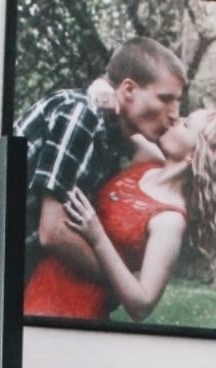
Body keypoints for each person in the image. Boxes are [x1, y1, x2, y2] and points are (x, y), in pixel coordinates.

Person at [26, 104, 216, 322]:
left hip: (76, 308)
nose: (176, 119)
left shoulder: (170, 219)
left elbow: (142, 306)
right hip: (40, 278)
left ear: (194, 155)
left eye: (186, 125)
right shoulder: (148, 159)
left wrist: (98, 237)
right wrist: (102, 89)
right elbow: (122, 111)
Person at [14, 39, 185, 286]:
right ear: (128, 90)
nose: (174, 114)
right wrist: (118, 285)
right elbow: (53, 232)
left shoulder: (112, 131)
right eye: (165, 98)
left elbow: (159, 161)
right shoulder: (81, 115)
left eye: (177, 101)